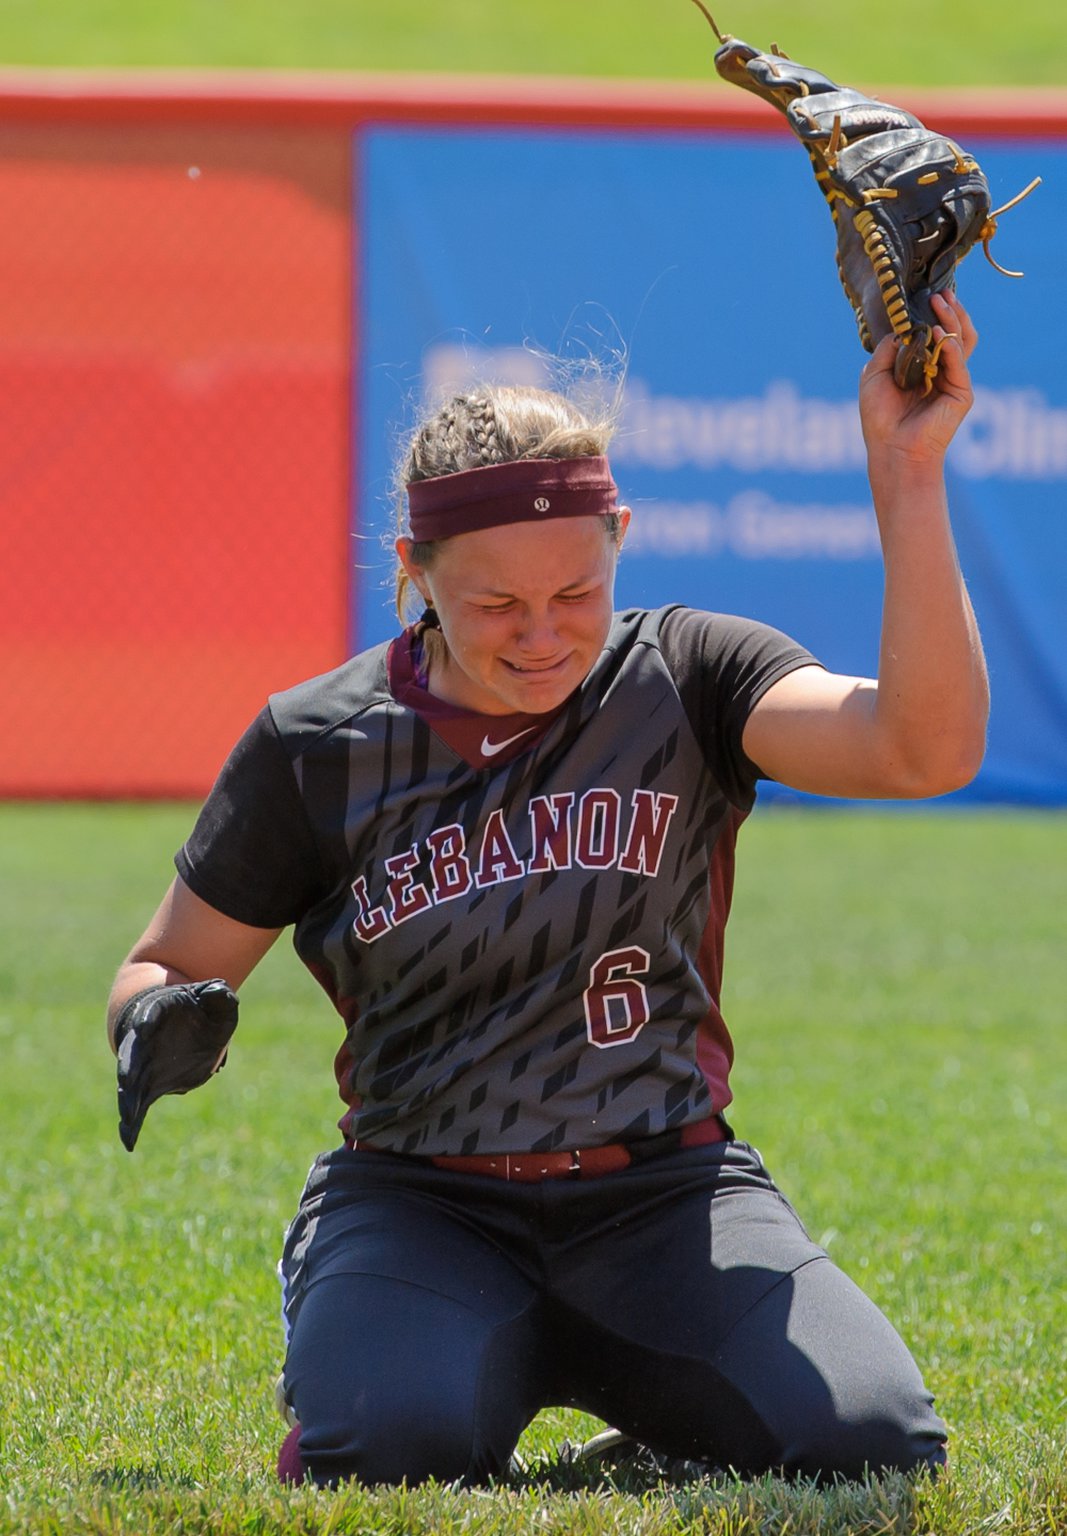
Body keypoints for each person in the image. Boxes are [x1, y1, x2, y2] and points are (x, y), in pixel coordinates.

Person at [107, 289, 988, 1489]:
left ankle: (648, 1429)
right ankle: (393, 1349)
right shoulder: (320, 742)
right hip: (424, 1199)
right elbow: (165, 963)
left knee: (873, 1451)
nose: (541, 636)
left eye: (575, 593)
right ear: (413, 572)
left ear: (617, 534)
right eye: (496, 606)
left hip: (665, 1195)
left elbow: (919, 750)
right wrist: (156, 1020)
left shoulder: (686, 674)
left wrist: (906, 470)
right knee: (386, 1452)